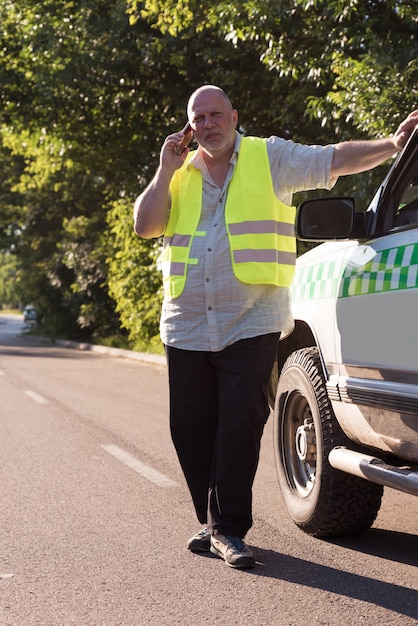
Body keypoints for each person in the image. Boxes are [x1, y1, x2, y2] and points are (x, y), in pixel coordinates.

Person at [134, 85, 418, 569]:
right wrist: (163, 169)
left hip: (252, 320)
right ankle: (210, 521)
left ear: (234, 116)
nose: (208, 124)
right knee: (189, 428)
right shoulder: (177, 173)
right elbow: (146, 225)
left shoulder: (270, 158)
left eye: (216, 114)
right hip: (186, 323)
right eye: (198, 117)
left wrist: (392, 146)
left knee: (241, 424)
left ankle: (228, 529)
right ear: (188, 127)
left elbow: (333, 160)